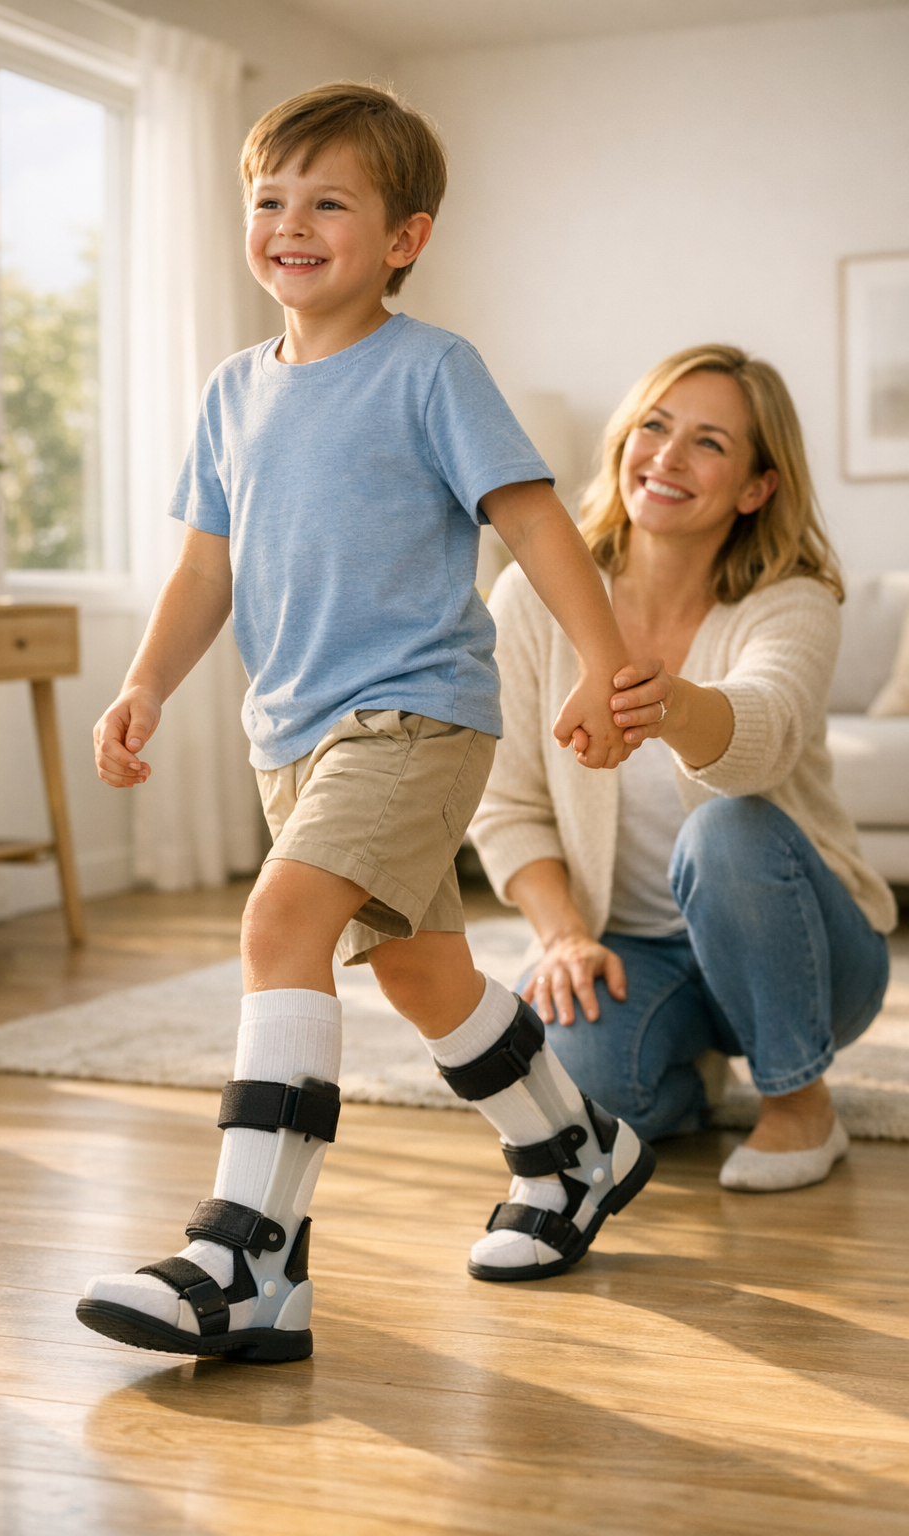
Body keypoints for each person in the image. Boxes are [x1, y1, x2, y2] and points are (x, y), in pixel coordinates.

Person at [75, 84, 657, 1364]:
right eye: (269, 198)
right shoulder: (233, 392)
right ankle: (571, 1153)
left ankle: (249, 1257)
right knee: (421, 973)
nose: (291, 221)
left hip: (417, 716)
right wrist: (146, 682)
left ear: (404, 237)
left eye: (328, 200)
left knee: (277, 921)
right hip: (289, 736)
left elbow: (534, 521)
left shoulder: (431, 369)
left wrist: (601, 664)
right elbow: (203, 572)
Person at [472, 345, 895, 1195]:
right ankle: (698, 1066)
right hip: (637, 952)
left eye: (708, 442)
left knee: (727, 826)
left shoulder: (795, 601)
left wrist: (661, 705)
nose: (666, 456)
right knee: (569, 1093)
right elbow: (505, 802)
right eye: (654, 427)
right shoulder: (529, 597)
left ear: (755, 488)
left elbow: (765, 732)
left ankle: (802, 1103)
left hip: (814, 952)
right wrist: (563, 936)